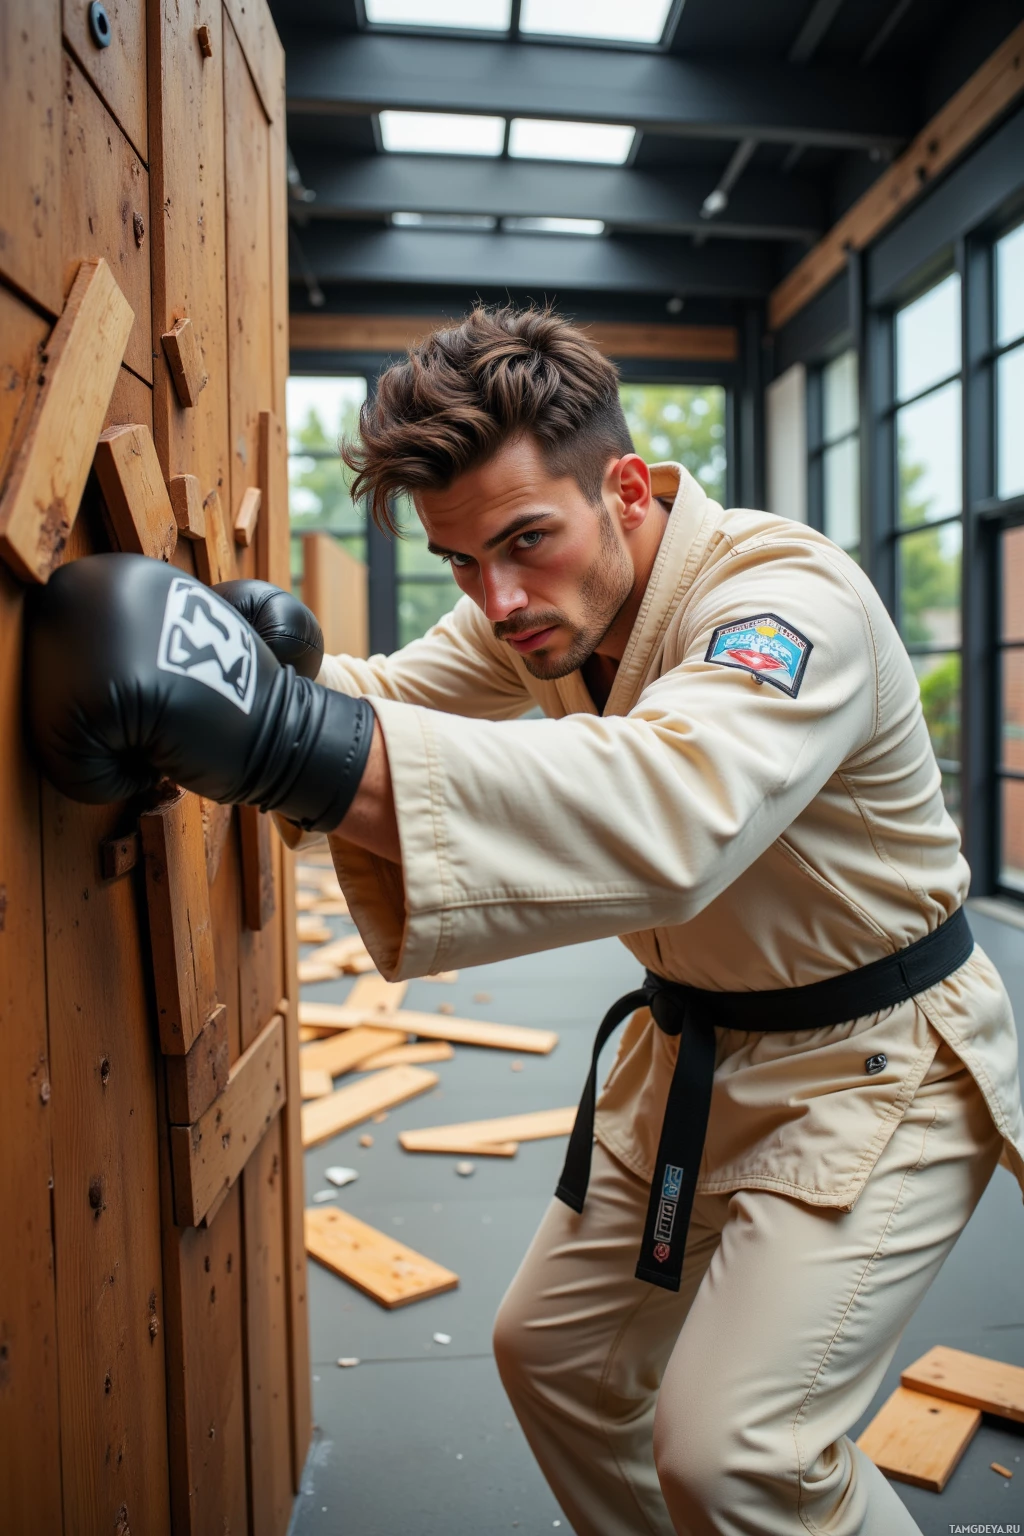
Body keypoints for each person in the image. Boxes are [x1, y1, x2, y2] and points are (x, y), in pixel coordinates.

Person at [26, 306, 1024, 1536]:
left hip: (877, 1066)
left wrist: (284, 737)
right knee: (551, 1357)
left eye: (522, 542)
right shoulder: (546, 602)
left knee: (735, 1457)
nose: (496, 599)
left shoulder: (784, 602)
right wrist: (259, 679)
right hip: (698, 1051)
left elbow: (672, 816)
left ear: (626, 485)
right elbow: (389, 701)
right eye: (459, 561)